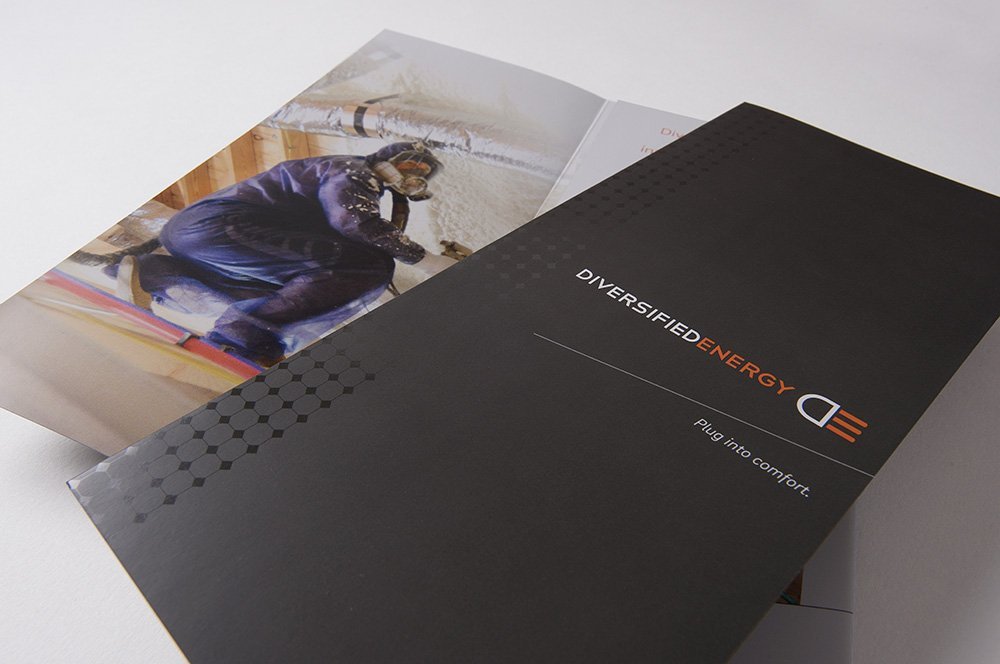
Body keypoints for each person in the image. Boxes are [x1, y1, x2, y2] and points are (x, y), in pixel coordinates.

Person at [115, 141, 443, 365]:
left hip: (199, 232)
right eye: (411, 165)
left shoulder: (339, 171)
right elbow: (354, 221)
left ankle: (154, 276)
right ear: (387, 158)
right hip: (224, 226)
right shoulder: (353, 171)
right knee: (367, 265)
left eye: (421, 173)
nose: (414, 174)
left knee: (294, 287)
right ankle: (239, 342)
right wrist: (427, 261)